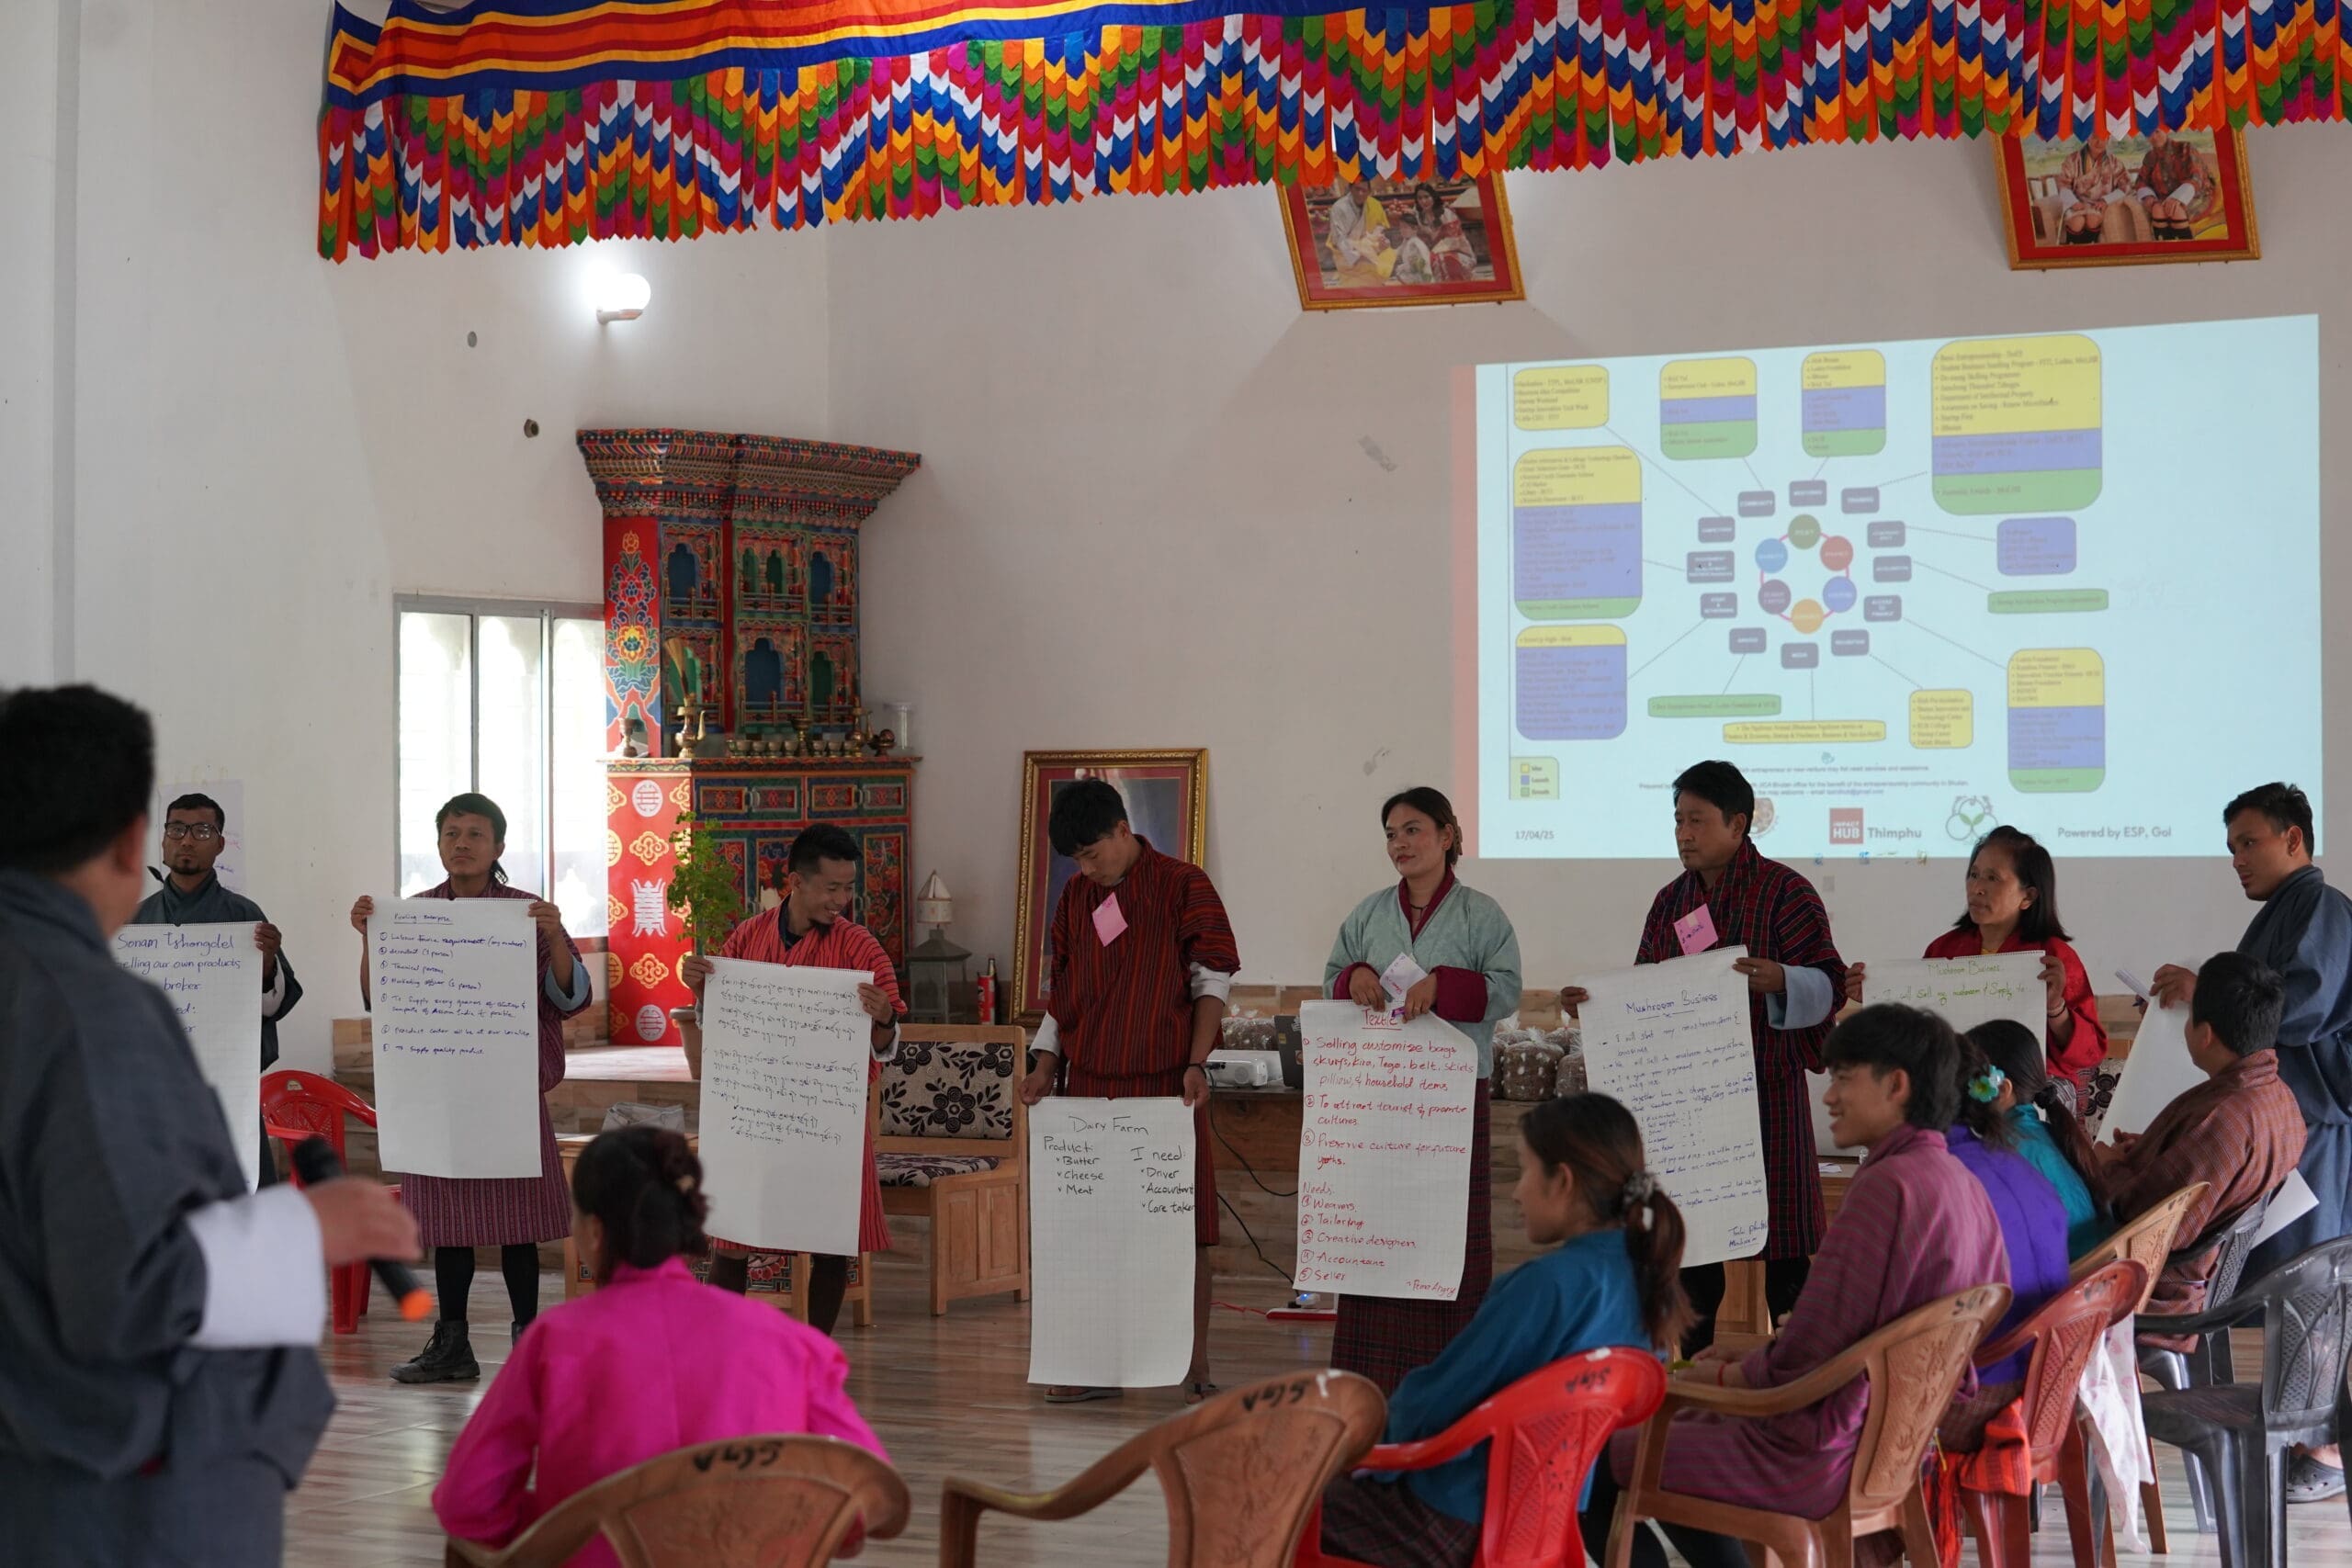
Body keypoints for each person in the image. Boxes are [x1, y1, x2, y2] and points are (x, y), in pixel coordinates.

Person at [0, 684, 416, 1565]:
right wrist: (306, 1224)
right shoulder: (93, 1008)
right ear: (130, 839)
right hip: (106, 1486)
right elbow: (126, 1292)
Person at [1578, 1005, 2007, 1568]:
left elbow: (1805, 1362)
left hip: (1809, 1455)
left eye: (1844, 1079)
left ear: (1896, 1085)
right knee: (1670, 1426)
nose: (1828, 1097)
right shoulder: (1959, 1181)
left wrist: (1731, 1373)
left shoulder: (1888, 1186)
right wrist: (1759, 1353)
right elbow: (1869, 1335)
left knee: (1594, 1452)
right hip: (1896, 1448)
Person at [433, 1125, 888, 1567]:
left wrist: (566, 1526)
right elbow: (870, 1499)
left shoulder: (554, 1342)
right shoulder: (794, 1344)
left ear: (593, 1231)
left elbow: (467, 1504)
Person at [1316, 1094, 1690, 1568]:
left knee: (1263, 1501)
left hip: (1448, 1518)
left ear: (1563, 1182)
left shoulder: (1545, 1286)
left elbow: (1434, 1401)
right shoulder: (1642, 1277)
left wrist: (1350, 1449)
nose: (1516, 1192)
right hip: (1544, 1520)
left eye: (1525, 1170)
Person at [1559, 760, 1848, 1347]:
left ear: (1739, 823)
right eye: (1677, 821)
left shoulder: (1786, 892)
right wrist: (1592, 1004)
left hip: (1768, 1095)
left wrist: (1783, 979)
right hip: (1689, 1109)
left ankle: (1792, 1382)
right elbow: (1644, 988)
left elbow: (1831, 983)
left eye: (1697, 820)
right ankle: (1687, 1384)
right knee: (1693, 1257)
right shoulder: (1671, 902)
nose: (1683, 834)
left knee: (1785, 1259)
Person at [351, 791, 591, 1384]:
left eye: (474, 834)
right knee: (448, 1224)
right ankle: (452, 1343)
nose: (461, 843)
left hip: (508, 1087)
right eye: (451, 833)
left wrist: (557, 936)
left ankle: (531, 1343)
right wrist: (369, 937)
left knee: (518, 1225)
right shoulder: (415, 913)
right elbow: (381, 998)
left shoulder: (527, 913)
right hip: (441, 1090)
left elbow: (572, 996)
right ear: (438, 844)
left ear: (499, 846)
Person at [1019, 777, 1239, 1404]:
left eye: (1093, 852)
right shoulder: (1076, 896)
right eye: (1077, 860)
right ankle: (1093, 1366)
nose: (1087, 867)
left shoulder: (1181, 883)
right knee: (1089, 1229)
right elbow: (1063, 996)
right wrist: (1043, 1065)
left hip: (1164, 1087)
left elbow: (1211, 980)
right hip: (1087, 1086)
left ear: (1123, 830)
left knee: (1182, 1232)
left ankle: (1192, 1363)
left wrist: (1197, 1062)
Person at [1323, 787, 1523, 1393]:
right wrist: (1353, 976)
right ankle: (1370, 1377)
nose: (1400, 844)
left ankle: (1453, 1374)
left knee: (1448, 1236)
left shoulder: (1480, 914)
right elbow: (1333, 973)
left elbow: (1508, 990)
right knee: (1376, 1232)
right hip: (1378, 1100)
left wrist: (1444, 986)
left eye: (1413, 829)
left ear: (1447, 833)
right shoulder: (1367, 913)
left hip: (1452, 1103)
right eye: (1391, 833)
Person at [678, 823, 904, 1329]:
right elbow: (722, 1023)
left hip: (829, 1118)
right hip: (754, 1114)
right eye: (832, 888)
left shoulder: (862, 950)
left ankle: (815, 1355)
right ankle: (727, 1351)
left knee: (830, 1241)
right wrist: (701, 991)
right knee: (732, 1236)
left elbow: (887, 1046)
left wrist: (885, 1019)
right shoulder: (746, 938)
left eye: (849, 888)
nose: (842, 900)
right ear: (795, 882)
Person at [2152, 784, 2351, 1281]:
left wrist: (2205, 994)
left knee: (2302, 1277)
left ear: (2292, 838)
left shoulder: (2320, 906)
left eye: (2248, 843)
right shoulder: (2284, 909)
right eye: (2231, 849)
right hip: (2282, 1113)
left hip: (2312, 1114)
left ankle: (2308, 1362)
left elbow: (2302, 1004)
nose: (2237, 860)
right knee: (2272, 1275)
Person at [2103, 951, 2303, 1327]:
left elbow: (2142, 1224)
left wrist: (2109, 1164)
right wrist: (2150, 1149)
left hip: (2158, 1290)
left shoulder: (2225, 1117)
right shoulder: (2278, 1097)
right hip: (2203, 1279)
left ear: (2206, 1034)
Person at [1845, 826, 2107, 1102]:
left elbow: (2088, 1054)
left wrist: (2056, 1009)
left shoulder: (2052, 956)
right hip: (1954, 1081)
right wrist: (1875, 996)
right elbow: (1921, 1026)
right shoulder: (1944, 949)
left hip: (2029, 1088)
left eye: (1993, 878)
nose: (1977, 888)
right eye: (1973, 875)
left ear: (2028, 897)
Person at [128, 791, 303, 1186]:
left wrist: (267, 963)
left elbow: (274, 1005)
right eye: (177, 828)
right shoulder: (135, 922)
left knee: (236, 1202)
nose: (187, 840)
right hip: (155, 1092)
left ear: (220, 844)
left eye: (202, 830)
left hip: (229, 1089)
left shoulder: (245, 918)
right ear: (163, 839)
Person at [1947, 1035, 2071, 1398]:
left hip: (1994, 1387)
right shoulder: (2021, 1146)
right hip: (2052, 1362)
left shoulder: (1947, 1174)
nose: (1832, 1097)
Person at [1965, 1020, 2112, 1257]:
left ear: (2002, 1090)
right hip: (2096, 1280)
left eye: (1968, 1083)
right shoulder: (2051, 1133)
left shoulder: (2003, 1153)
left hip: (2064, 1286)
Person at [2134, 128, 2212, 240]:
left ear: (2165, 130)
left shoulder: (2185, 148)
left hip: (2196, 195)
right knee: (2157, 210)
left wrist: (2178, 198)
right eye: (2149, 134)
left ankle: (2187, 252)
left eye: (2157, 131)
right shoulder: (2150, 157)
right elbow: (2141, 180)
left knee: (2176, 211)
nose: (2154, 137)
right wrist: (2148, 196)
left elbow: (2197, 177)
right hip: (2164, 198)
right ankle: (2166, 252)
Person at [2055, 135, 2132, 243]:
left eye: (2103, 137)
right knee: (2077, 222)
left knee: (2093, 219)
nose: (2099, 142)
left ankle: (2091, 251)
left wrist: (2106, 200)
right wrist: (2073, 202)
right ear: (2087, 138)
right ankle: (2072, 253)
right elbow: (2063, 185)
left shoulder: (2114, 162)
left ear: (2108, 139)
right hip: (2075, 204)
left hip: (2098, 204)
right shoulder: (2072, 160)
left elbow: (2126, 185)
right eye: (2095, 137)